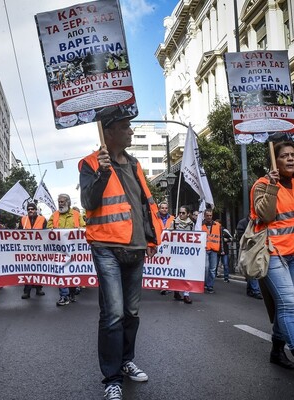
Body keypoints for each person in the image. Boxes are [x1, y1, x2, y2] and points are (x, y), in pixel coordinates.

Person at [79, 112, 163, 400]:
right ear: (109, 133)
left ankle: (126, 360)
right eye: (125, 127)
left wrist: (151, 237)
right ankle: (111, 378)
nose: (131, 131)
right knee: (113, 314)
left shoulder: (136, 163)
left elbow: (145, 204)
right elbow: (88, 202)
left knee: (131, 313)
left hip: (136, 248)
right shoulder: (90, 163)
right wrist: (102, 172)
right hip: (106, 247)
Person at [251, 141, 294, 380]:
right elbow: (266, 215)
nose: (290, 159)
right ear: (275, 161)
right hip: (273, 254)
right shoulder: (261, 185)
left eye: (293, 155)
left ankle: (276, 350)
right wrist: (272, 185)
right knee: (290, 304)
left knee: (285, 305)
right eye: (284, 156)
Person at [47, 193, 85, 306]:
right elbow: (48, 228)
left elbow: (83, 227)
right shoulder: (54, 215)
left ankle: (72, 293)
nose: (60, 204)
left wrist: (79, 230)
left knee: (72, 272)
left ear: (68, 202)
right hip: (59, 250)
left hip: (73, 250)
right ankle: (64, 296)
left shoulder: (76, 214)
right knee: (60, 272)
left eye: (62, 202)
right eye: (59, 202)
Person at [18, 202, 47, 299]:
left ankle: (39, 288)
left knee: (39, 270)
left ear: (36, 210)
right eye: (28, 209)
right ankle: (27, 291)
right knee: (28, 270)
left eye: (32, 209)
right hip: (27, 250)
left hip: (39, 249)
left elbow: (46, 233)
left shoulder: (42, 219)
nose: (30, 211)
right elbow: (18, 234)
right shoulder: (23, 219)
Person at [168, 205, 194, 304]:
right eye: (180, 213)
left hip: (186, 253)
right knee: (176, 273)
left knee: (187, 273)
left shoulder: (191, 224)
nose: (181, 214)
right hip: (175, 253)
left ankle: (186, 294)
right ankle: (176, 291)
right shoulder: (174, 222)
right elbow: (167, 235)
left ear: (188, 214)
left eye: (183, 213)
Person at [235, 216, 263, 299]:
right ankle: (255, 290)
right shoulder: (243, 223)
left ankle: (251, 289)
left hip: (256, 248)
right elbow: (240, 236)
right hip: (248, 249)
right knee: (252, 268)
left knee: (252, 269)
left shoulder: (258, 222)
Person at [202, 209, 222, 294]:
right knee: (206, 267)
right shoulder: (200, 225)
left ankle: (210, 286)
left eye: (210, 215)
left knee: (212, 269)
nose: (209, 217)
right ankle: (205, 283)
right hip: (204, 249)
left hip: (214, 250)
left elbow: (220, 238)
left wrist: (222, 250)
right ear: (204, 216)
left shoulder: (218, 225)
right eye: (207, 215)